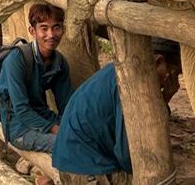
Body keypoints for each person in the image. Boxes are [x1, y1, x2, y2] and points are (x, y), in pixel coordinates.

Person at [51, 38, 183, 185]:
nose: (173, 81)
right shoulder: (130, 84)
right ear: (158, 61)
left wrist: (164, 99)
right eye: (175, 73)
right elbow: (126, 156)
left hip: (71, 164)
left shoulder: (118, 69)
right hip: (87, 170)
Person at [0, 3, 72, 153]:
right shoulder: (16, 60)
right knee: (69, 143)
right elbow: (22, 110)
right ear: (32, 31)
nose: (51, 34)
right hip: (19, 128)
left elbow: (67, 105)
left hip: (43, 117)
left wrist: (73, 126)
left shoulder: (59, 62)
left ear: (63, 30)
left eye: (56, 27)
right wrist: (57, 130)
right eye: (44, 28)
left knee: (87, 135)